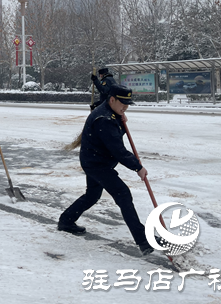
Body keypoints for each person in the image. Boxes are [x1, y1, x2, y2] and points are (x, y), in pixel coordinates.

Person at [58, 85, 155, 256]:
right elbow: (117, 149)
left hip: (96, 160)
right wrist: (137, 167)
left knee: (92, 195)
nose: (125, 107)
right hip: (97, 164)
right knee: (123, 194)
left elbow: (113, 136)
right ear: (112, 100)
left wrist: (121, 121)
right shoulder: (104, 119)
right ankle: (143, 240)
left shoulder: (109, 113)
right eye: (123, 104)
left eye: (127, 104)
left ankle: (66, 220)